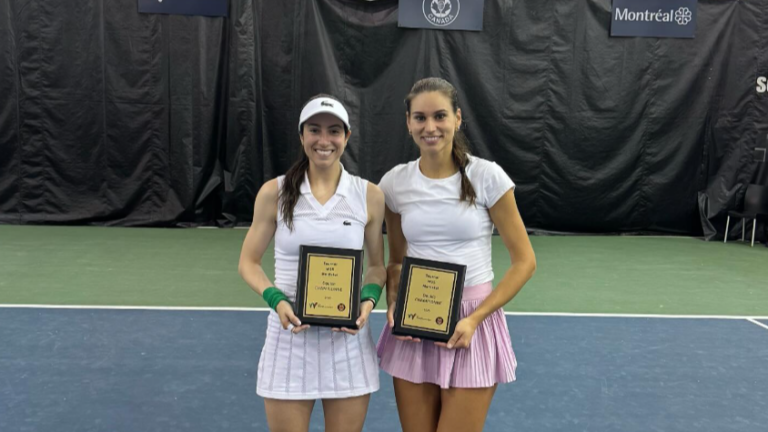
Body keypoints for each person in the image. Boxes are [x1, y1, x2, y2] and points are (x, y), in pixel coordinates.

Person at [376, 77, 537, 432]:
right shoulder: (394, 184)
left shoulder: (487, 176)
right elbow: (397, 261)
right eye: (419, 117)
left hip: (471, 324)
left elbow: (525, 262)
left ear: (457, 118)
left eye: (439, 116)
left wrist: (474, 319)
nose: (429, 127)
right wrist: (393, 305)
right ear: (408, 123)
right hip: (415, 324)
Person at [238, 94, 386, 432]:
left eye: (334, 131)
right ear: (302, 135)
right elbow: (248, 262)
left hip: (347, 344)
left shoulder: (369, 195)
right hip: (289, 340)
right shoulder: (273, 193)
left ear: (347, 137)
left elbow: (377, 266)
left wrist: (368, 301)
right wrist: (276, 300)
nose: (324, 140)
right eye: (314, 130)